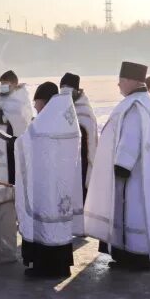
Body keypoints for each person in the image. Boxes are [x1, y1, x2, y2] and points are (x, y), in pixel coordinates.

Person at [84, 62, 150, 270]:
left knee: (132, 213)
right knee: (137, 213)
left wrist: (121, 166)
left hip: (132, 175)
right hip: (142, 172)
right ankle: (132, 254)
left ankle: (134, 257)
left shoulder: (135, 104)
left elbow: (131, 137)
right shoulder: (145, 100)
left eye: (121, 80)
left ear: (132, 81)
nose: (119, 85)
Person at [15, 82, 82, 279]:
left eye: (37, 103)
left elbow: (26, 142)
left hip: (47, 186)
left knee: (45, 223)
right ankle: (61, 266)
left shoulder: (46, 122)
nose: (35, 107)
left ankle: (46, 268)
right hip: (63, 186)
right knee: (59, 227)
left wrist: (15, 142)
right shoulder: (65, 119)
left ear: (44, 101)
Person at [60, 72, 98, 206]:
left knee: (80, 197)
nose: (64, 91)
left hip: (82, 161)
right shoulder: (61, 107)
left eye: (67, 88)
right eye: (62, 88)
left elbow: (88, 134)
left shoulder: (84, 109)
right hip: (66, 161)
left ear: (76, 90)